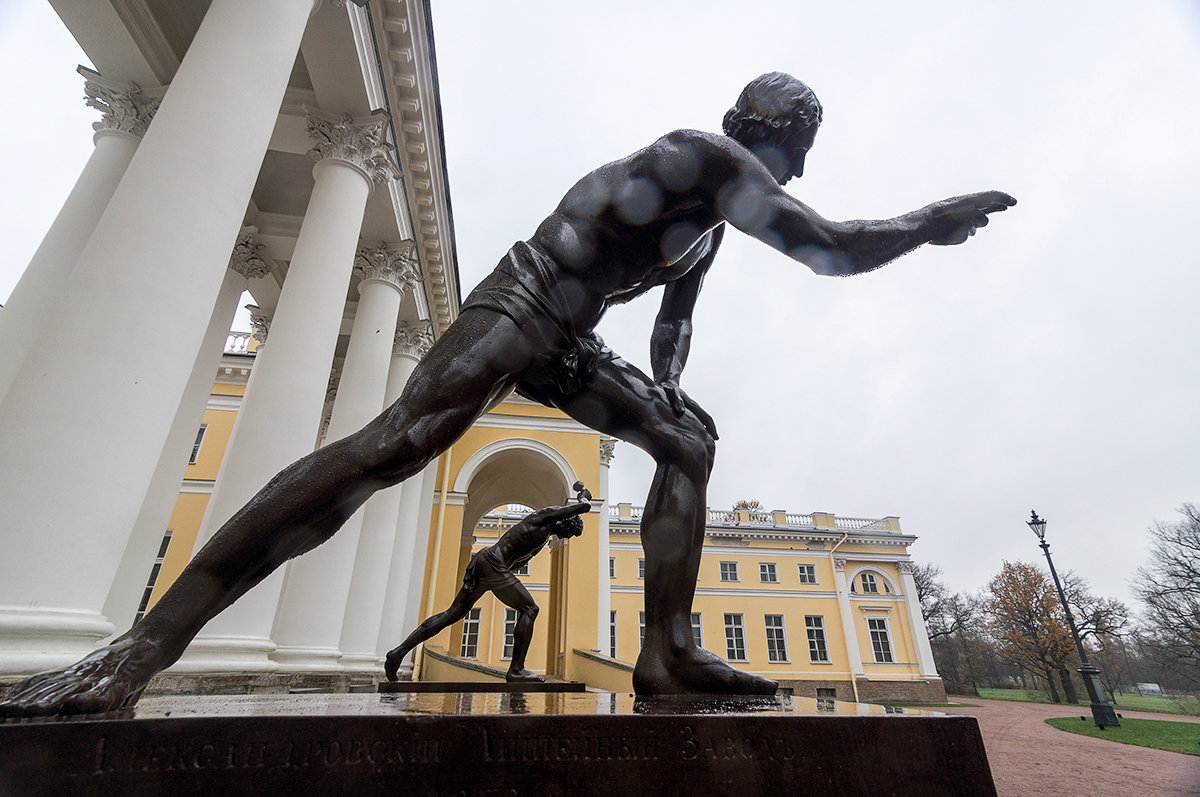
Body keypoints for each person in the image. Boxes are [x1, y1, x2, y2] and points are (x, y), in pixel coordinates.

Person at [0, 72, 1014, 716]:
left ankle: (665, 655)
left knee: (689, 445)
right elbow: (829, 248)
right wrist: (926, 221)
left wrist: (669, 390)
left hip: (570, 339)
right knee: (390, 447)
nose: (796, 163)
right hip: (522, 300)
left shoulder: (708, 221)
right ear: (772, 128)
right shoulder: (710, 158)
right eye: (801, 141)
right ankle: (141, 648)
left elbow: (674, 317)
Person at [383, 500, 590, 683]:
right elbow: (583, 507)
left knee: (452, 614)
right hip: (493, 564)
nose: (566, 537)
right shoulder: (543, 517)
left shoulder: (542, 539)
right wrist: (584, 499)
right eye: (570, 533)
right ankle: (516, 670)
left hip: (488, 564)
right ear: (565, 522)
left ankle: (397, 653)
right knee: (530, 609)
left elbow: (517, 561)